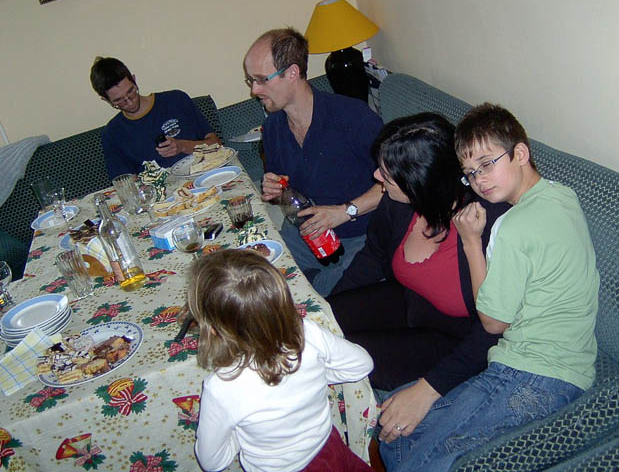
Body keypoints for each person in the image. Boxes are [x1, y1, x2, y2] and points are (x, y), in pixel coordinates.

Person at [379, 103, 599, 471]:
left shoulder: (511, 227)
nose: (480, 179)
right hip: (561, 362)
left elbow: (494, 323)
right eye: (470, 172)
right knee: (394, 421)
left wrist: (470, 241)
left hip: (532, 372)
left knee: (406, 449)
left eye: (487, 164)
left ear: (520, 153)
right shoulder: (562, 195)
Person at [328, 113, 510, 435]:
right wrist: (332, 307)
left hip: (453, 338)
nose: (376, 176)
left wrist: (428, 389)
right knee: (314, 330)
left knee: (335, 361)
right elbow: (373, 256)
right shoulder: (397, 203)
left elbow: (495, 331)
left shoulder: (489, 223)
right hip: (406, 300)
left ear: (420, 183)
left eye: (386, 174)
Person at [189, 249, 374, 472]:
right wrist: (314, 375)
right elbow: (362, 364)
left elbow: (212, 463)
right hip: (330, 452)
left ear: (212, 329)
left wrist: (238, 434)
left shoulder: (221, 387)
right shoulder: (307, 333)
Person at [244, 28, 383, 296]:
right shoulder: (272, 128)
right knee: (256, 281)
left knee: (319, 294)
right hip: (306, 234)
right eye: (250, 80)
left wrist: (345, 211)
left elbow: (400, 183)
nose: (254, 90)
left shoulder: (353, 117)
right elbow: (286, 191)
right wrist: (276, 190)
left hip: (362, 235)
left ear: (292, 73)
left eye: (261, 79)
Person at [90, 57, 220, 179]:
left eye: (131, 92)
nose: (129, 102)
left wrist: (182, 146)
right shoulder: (112, 133)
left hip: (204, 176)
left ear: (134, 80)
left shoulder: (176, 100)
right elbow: (126, 183)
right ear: (106, 100)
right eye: (119, 101)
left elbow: (216, 144)